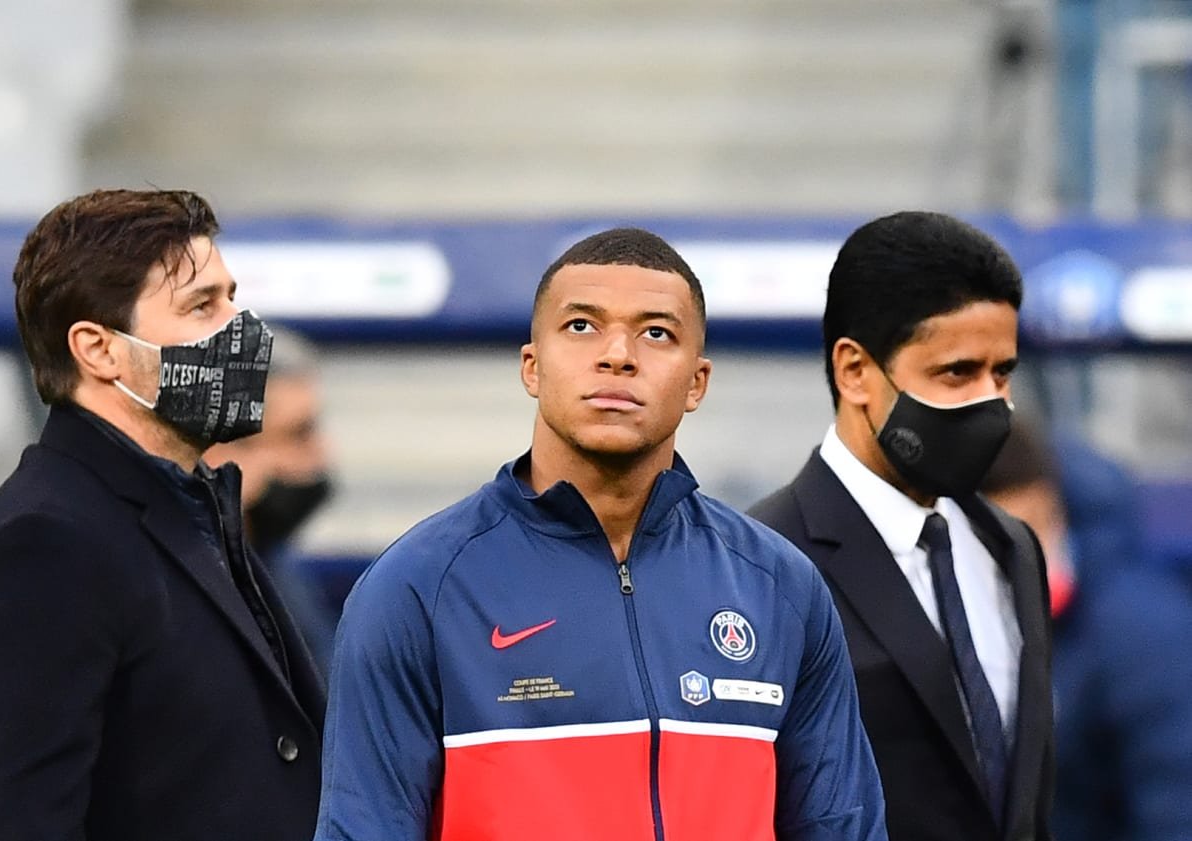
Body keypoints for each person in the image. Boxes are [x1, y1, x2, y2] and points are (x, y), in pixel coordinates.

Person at [313, 227, 887, 841]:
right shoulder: (415, 588)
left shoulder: (780, 586)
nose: (618, 355)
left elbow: (842, 827)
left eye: (656, 333)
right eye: (582, 326)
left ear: (697, 382)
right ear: (532, 367)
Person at [0, 189, 327, 841]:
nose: (241, 329)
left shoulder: (198, 505)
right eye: (202, 305)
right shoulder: (44, 543)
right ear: (98, 349)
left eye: (232, 298)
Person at [748, 211, 1055, 841]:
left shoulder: (1010, 548)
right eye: (957, 373)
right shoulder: (762, 563)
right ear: (855, 371)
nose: (991, 402)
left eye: (1002, 373)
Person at [981, 419, 1192, 841]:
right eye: (995, 542)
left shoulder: (1142, 632)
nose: (1024, 556)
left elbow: (1175, 805)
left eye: (1035, 525)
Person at [205, 326, 340, 672]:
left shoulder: (269, 563)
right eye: (299, 434)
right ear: (217, 452)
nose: (321, 454)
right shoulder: (191, 599)